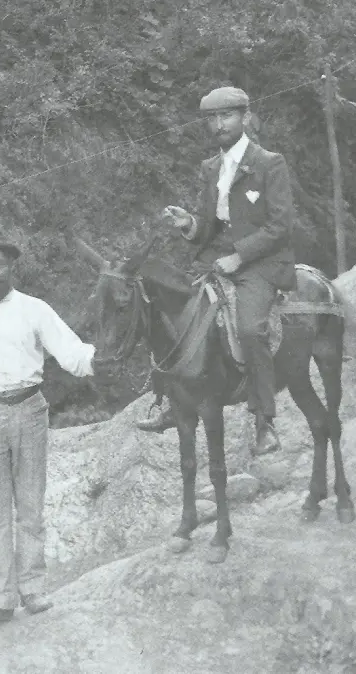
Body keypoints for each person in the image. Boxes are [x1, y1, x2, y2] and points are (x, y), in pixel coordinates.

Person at [0, 230, 97, 632]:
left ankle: (33, 589)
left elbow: (70, 351)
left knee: (30, 507)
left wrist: (103, 358)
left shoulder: (34, 309)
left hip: (29, 410)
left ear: (12, 266)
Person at [137, 87, 296, 456]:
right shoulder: (212, 167)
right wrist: (189, 223)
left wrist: (239, 258)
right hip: (217, 260)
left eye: (226, 116)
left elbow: (281, 226)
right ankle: (169, 403)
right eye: (213, 118)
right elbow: (209, 227)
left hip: (260, 263)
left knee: (250, 329)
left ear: (246, 118)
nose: (219, 124)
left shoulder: (269, 162)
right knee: (166, 312)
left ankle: (264, 422)